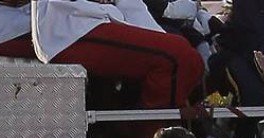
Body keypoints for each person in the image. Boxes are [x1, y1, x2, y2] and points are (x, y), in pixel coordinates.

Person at [30, 0, 205, 111]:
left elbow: (134, 9)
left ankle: (140, 131)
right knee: (178, 58)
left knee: (181, 52)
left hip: (97, 17)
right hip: (69, 24)